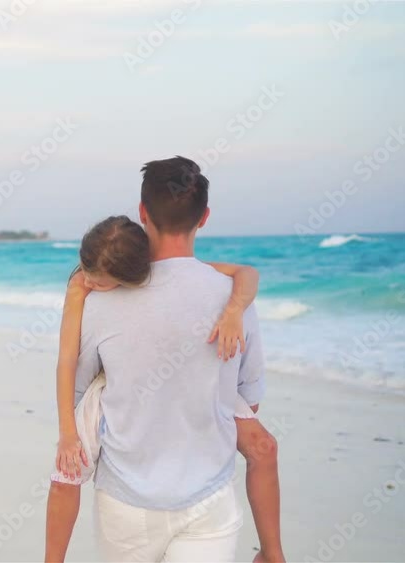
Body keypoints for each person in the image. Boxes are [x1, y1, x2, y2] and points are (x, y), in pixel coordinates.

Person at [44, 157, 283, 562]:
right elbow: (248, 401)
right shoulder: (233, 297)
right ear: (204, 218)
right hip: (208, 502)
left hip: (127, 501)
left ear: (142, 213)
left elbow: (79, 392)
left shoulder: (100, 298)